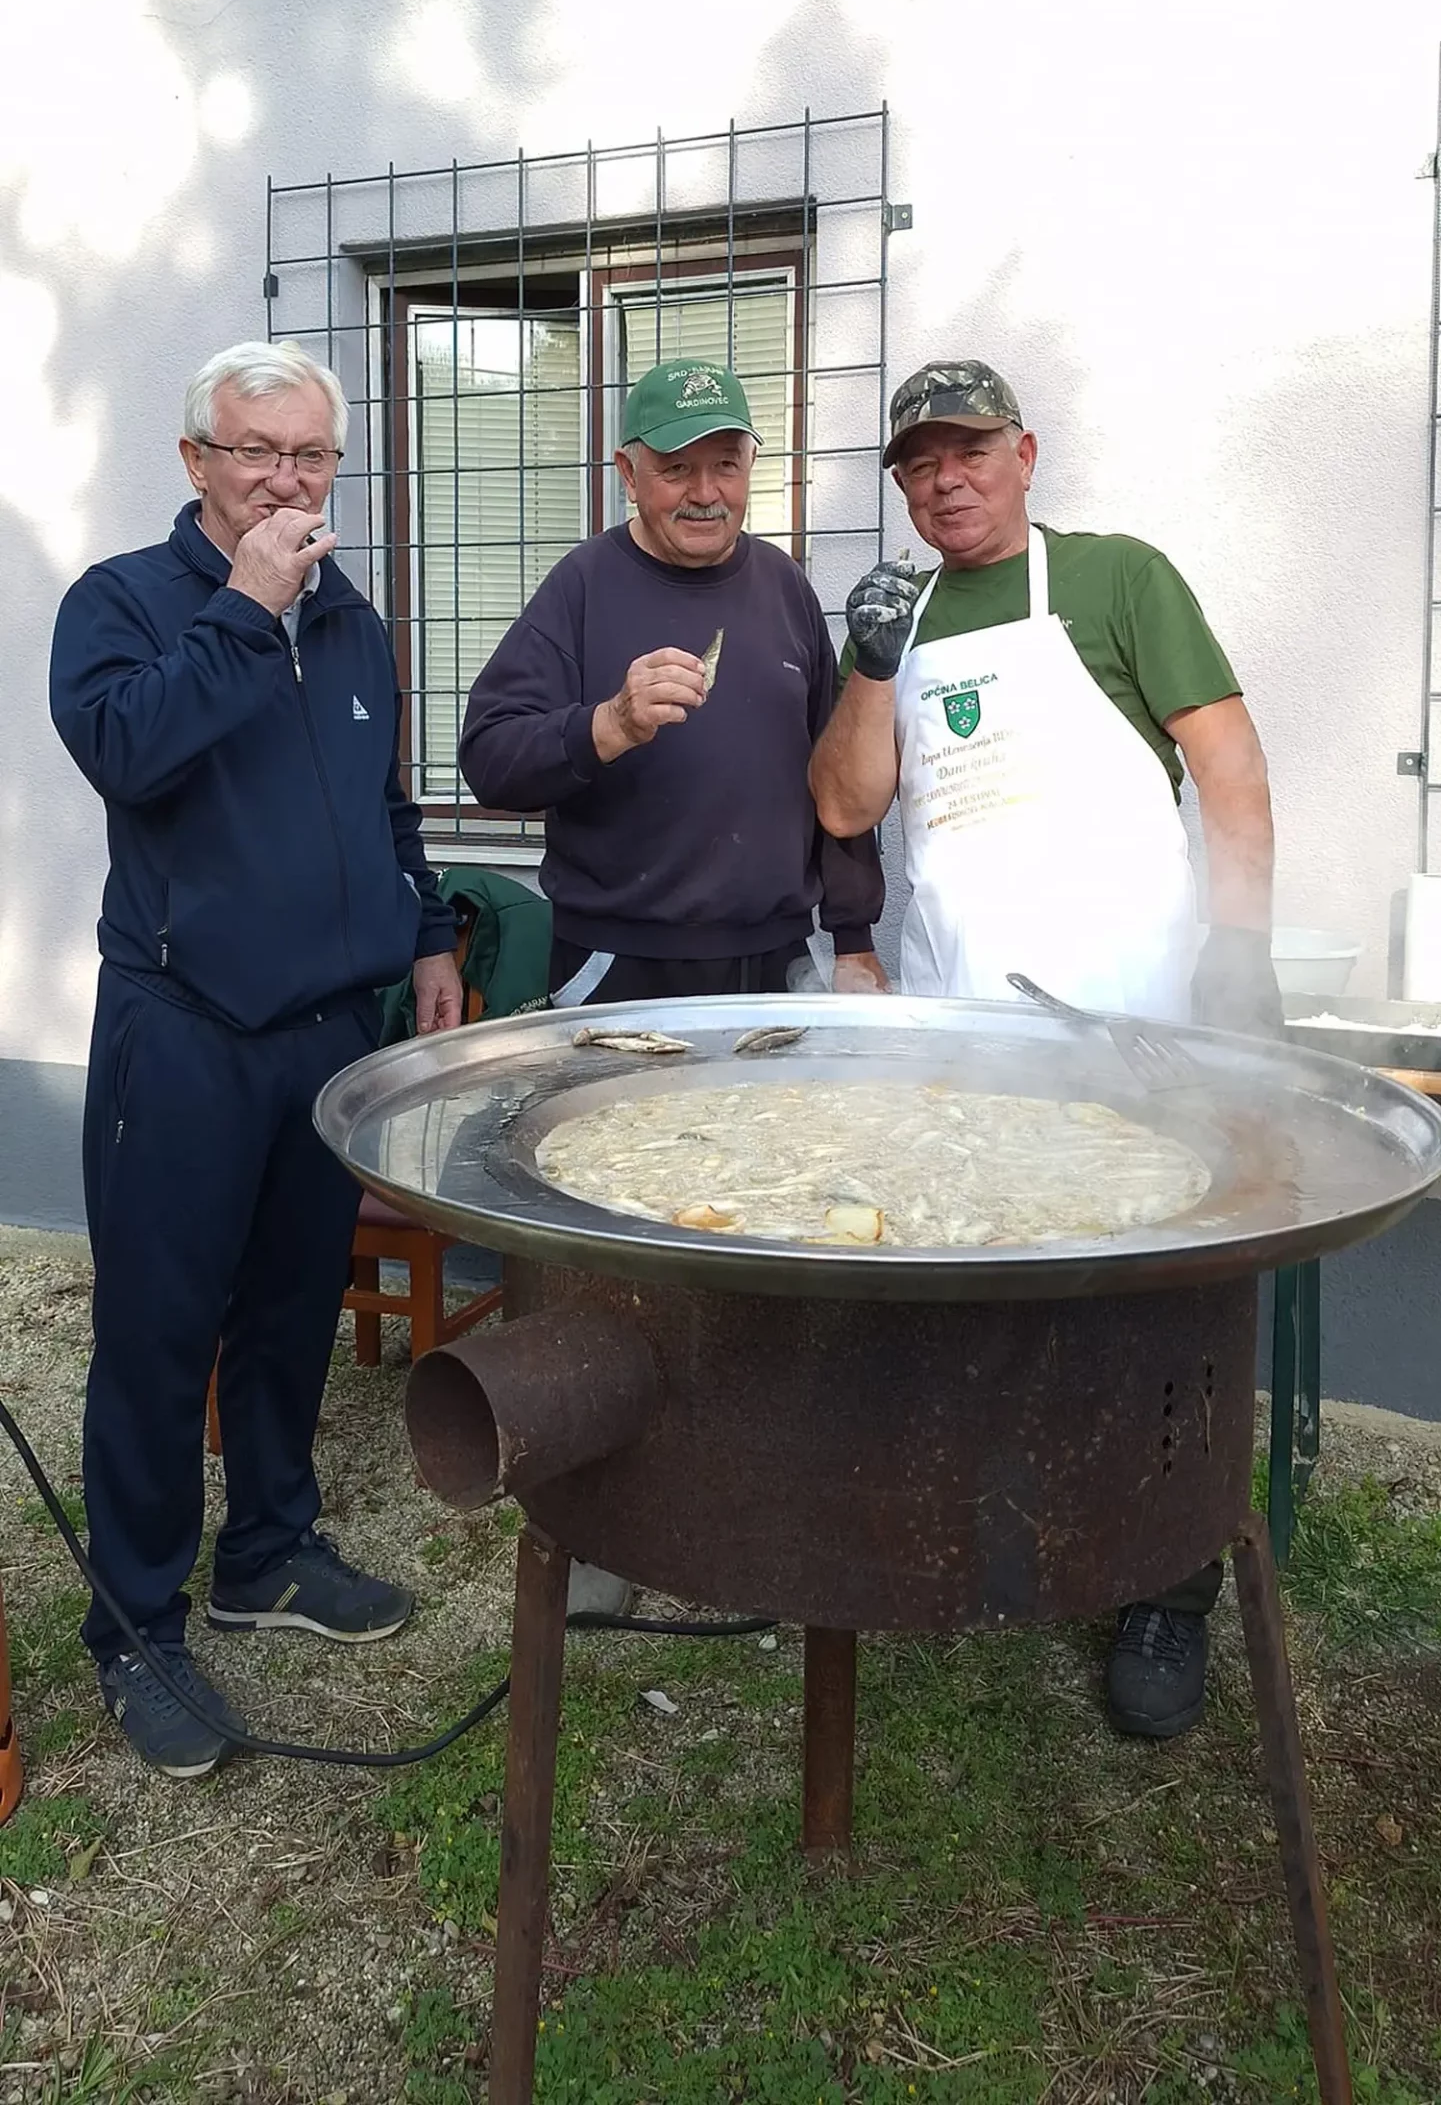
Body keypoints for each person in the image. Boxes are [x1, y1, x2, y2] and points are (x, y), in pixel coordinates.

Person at [809, 358, 1282, 1740]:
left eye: (969, 451)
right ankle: (994, 1526)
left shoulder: (1120, 578)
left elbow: (1229, 764)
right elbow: (842, 807)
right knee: (979, 1282)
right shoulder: (900, 621)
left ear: (1024, 454)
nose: (944, 479)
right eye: (917, 463)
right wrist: (867, 664)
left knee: (1155, 1306)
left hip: (1134, 1021)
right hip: (967, 1024)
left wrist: (1240, 946)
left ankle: (1167, 1585)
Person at [50, 341, 463, 1781]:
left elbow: (385, 805)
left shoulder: (353, 619)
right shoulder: (122, 605)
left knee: (291, 1313)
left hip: (327, 1036)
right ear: (196, 462)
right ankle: (137, 1624)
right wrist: (244, 609)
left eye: (311, 455)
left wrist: (427, 932)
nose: (287, 480)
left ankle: (268, 1552)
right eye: (256, 451)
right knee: (159, 1340)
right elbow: (125, 751)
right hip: (185, 1033)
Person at [460, 357, 886, 1004]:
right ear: (628, 474)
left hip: (777, 961)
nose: (705, 492)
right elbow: (490, 758)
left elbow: (836, 771)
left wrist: (853, 938)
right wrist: (608, 725)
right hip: (617, 962)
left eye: (726, 465)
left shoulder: (784, 586)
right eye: (677, 469)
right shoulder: (582, 585)